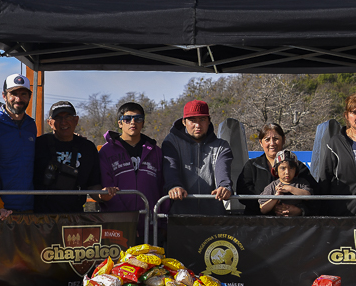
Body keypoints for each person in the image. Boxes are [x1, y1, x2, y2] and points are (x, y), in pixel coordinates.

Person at [99, 101, 165, 241]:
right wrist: (126, 222)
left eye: (138, 118)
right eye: (127, 119)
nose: (132, 122)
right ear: (120, 123)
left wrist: (162, 222)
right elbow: (106, 188)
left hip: (150, 227)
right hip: (117, 226)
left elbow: (162, 187)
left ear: (143, 122)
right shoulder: (106, 151)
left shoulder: (155, 151)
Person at [34, 100, 115, 214]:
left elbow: (93, 185)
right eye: (58, 118)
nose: (63, 122)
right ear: (50, 123)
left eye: (68, 117)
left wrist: (103, 195)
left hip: (75, 218)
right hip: (41, 218)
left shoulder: (87, 148)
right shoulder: (38, 145)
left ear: (76, 120)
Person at [162, 100, 233, 215]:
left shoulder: (221, 146)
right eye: (192, 120)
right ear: (184, 122)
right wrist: (174, 186)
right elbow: (170, 167)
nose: (198, 125)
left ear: (209, 121)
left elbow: (223, 169)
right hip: (179, 216)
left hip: (214, 217)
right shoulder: (171, 142)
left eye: (202, 119)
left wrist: (224, 187)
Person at [236, 122, 317, 215]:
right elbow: (243, 194)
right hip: (258, 223)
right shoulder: (252, 166)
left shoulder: (299, 167)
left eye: (276, 139)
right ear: (260, 142)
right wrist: (271, 206)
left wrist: (299, 210)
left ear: (283, 140)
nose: (272, 143)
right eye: (267, 139)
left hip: (294, 225)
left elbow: (314, 196)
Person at [0, 74, 37, 212]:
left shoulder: (31, 125)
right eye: (13, 94)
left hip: (27, 205)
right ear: (4, 96)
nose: (19, 99)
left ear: (30, 97)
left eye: (24, 94)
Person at [258, 150, 315, 216]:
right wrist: (275, 198)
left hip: (299, 223)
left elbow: (308, 196)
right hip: (276, 223)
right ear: (276, 170)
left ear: (296, 170)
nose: (287, 172)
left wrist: (290, 188)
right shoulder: (272, 186)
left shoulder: (301, 183)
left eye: (291, 168)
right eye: (283, 168)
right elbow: (263, 209)